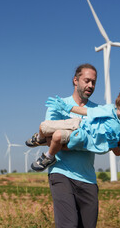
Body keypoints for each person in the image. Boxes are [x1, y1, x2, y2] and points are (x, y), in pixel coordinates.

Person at [28, 64, 101, 227]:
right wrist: (85, 142)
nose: (90, 86)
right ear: (76, 80)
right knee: (69, 225)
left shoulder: (97, 112)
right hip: (61, 172)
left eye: (94, 82)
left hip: (88, 178)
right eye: (87, 81)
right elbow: (49, 139)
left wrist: (66, 141)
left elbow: (100, 141)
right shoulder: (57, 105)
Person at [26, 85, 120, 172]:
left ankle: (49, 157)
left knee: (56, 137)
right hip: (79, 123)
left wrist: (113, 144)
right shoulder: (109, 109)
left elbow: (118, 153)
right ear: (117, 105)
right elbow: (87, 111)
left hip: (84, 138)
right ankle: (40, 139)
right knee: (44, 126)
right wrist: (67, 107)